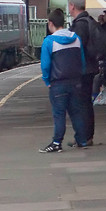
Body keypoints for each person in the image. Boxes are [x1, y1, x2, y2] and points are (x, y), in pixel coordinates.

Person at [40, 8, 88, 152]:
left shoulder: (49, 41)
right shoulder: (76, 38)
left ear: (50, 23)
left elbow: (45, 65)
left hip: (58, 83)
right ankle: (82, 140)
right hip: (76, 81)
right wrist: (81, 75)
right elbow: (82, 61)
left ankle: (56, 143)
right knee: (76, 112)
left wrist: (47, 81)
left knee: (59, 114)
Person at [68, 0, 106, 146]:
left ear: (72, 6)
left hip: (83, 70)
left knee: (80, 104)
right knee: (86, 103)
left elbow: (76, 48)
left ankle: (84, 138)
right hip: (90, 68)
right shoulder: (89, 21)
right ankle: (87, 137)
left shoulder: (80, 25)